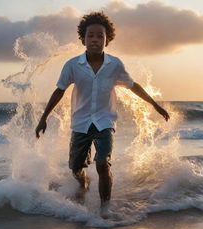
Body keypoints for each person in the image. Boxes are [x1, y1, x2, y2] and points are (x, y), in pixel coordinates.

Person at [35, 12, 170, 217]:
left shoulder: (115, 65)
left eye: (100, 36)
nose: (95, 40)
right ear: (83, 39)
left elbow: (134, 86)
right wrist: (43, 118)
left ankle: (104, 210)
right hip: (80, 123)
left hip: (105, 121)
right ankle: (84, 184)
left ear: (107, 40)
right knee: (76, 169)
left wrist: (154, 105)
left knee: (102, 163)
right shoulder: (72, 65)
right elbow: (59, 90)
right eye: (90, 36)